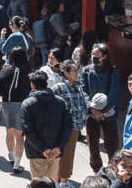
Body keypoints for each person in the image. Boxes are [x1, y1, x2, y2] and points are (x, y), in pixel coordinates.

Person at [20, 71, 71, 183]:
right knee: (51, 182)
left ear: (32, 85)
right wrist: (59, 147)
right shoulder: (60, 102)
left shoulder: (27, 104)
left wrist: (43, 149)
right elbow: (67, 126)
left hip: (36, 152)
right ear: (46, 83)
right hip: (55, 151)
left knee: (38, 184)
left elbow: (28, 131)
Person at [82, 44, 121, 174]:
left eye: (96, 55)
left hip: (108, 113)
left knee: (112, 144)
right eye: (92, 54)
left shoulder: (112, 72)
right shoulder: (86, 71)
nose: (93, 57)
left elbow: (114, 93)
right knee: (92, 143)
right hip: (91, 113)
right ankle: (97, 170)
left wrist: (102, 111)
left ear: (104, 56)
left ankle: (113, 168)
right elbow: (83, 91)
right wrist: (91, 108)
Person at [50, 60, 89, 188]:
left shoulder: (78, 86)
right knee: (58, 155)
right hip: (61, 128)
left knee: (69, 155)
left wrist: (84, 118)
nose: (77, 73)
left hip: (75, 127)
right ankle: (56, 182)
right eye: (74, 71)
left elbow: (83, 104)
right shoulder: (58, 87)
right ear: (66, 73)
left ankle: (64, 182)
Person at [0, 46, 31, 174]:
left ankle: (11, 156)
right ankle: (17, 164)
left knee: (9, 134)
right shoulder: (28, 72)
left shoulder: (6, 70)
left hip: (7, 105)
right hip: (22, 106)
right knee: (20, 137)